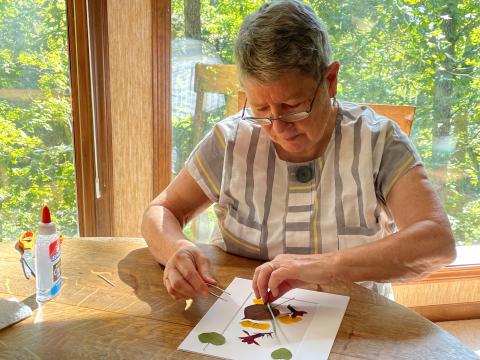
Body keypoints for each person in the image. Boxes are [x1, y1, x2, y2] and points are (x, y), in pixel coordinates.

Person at [142, 0, 456, 303]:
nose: (278, 127)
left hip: (355, 323)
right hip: (241, 317)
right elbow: (162, 210)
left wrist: (325, 267)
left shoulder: (378, 142)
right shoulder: (231, 141)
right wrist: (176, 249)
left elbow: (436, 242)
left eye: (293, 108)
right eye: (261, 109)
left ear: (330, 80)